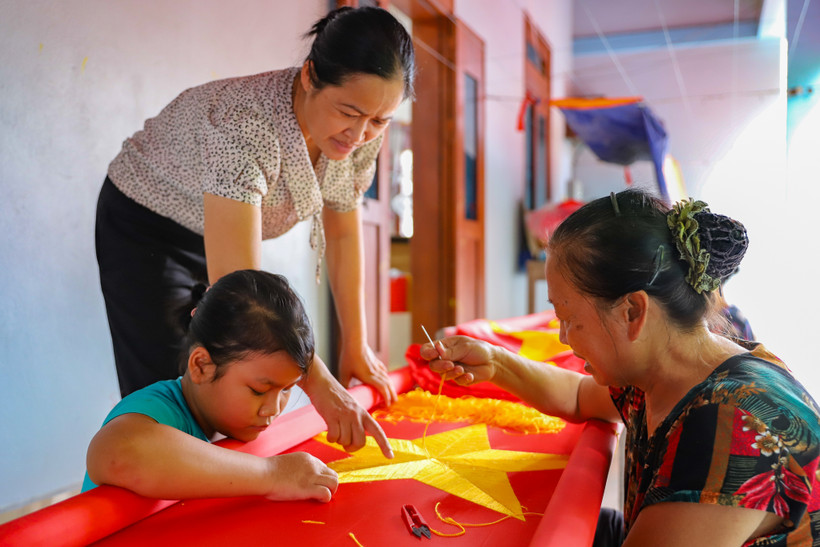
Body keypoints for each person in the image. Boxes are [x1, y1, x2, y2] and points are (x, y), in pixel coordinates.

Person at [420, 189, 820, 546]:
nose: (562, 337)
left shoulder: (733, 426)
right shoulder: (671, 368)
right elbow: (578, 397)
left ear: (632, 311)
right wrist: (496, 362)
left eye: (568, 317)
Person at [95, 6, 416, 410]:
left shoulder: (362, 135)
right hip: (146, 225)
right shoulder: (246, 122)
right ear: (310, 75)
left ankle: (216, 470)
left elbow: (344, 231)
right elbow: (238, 284)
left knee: (230, 381)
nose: (359, 134)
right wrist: (318, 383)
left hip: (214, 232)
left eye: (379, 120)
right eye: (348, 112)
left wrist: (356, 343)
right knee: (174, 388)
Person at [83, 270, 392, 501]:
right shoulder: (157, 411)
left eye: (286, 390)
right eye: (259, 390)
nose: (273, 409)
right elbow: (116, 453)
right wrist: (273, 474)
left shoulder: (228, 416)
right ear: (201, 366)